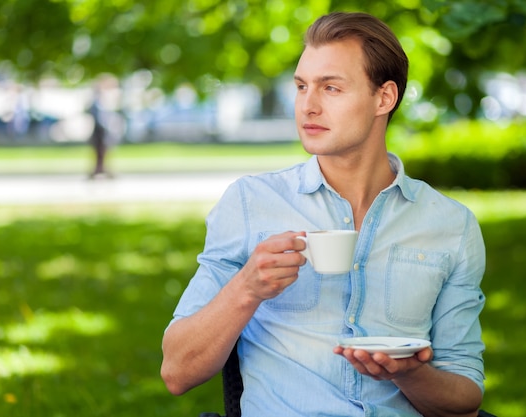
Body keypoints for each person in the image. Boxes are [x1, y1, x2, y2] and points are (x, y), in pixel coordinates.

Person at [161, 11, 487, 417]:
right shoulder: (249, 203)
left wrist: (407, 373)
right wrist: (246, 288)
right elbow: (177, 371)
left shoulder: (451, 226)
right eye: (301, 86)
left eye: (331, 88)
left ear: (384, 98)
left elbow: (465, 400)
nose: (307, 106)